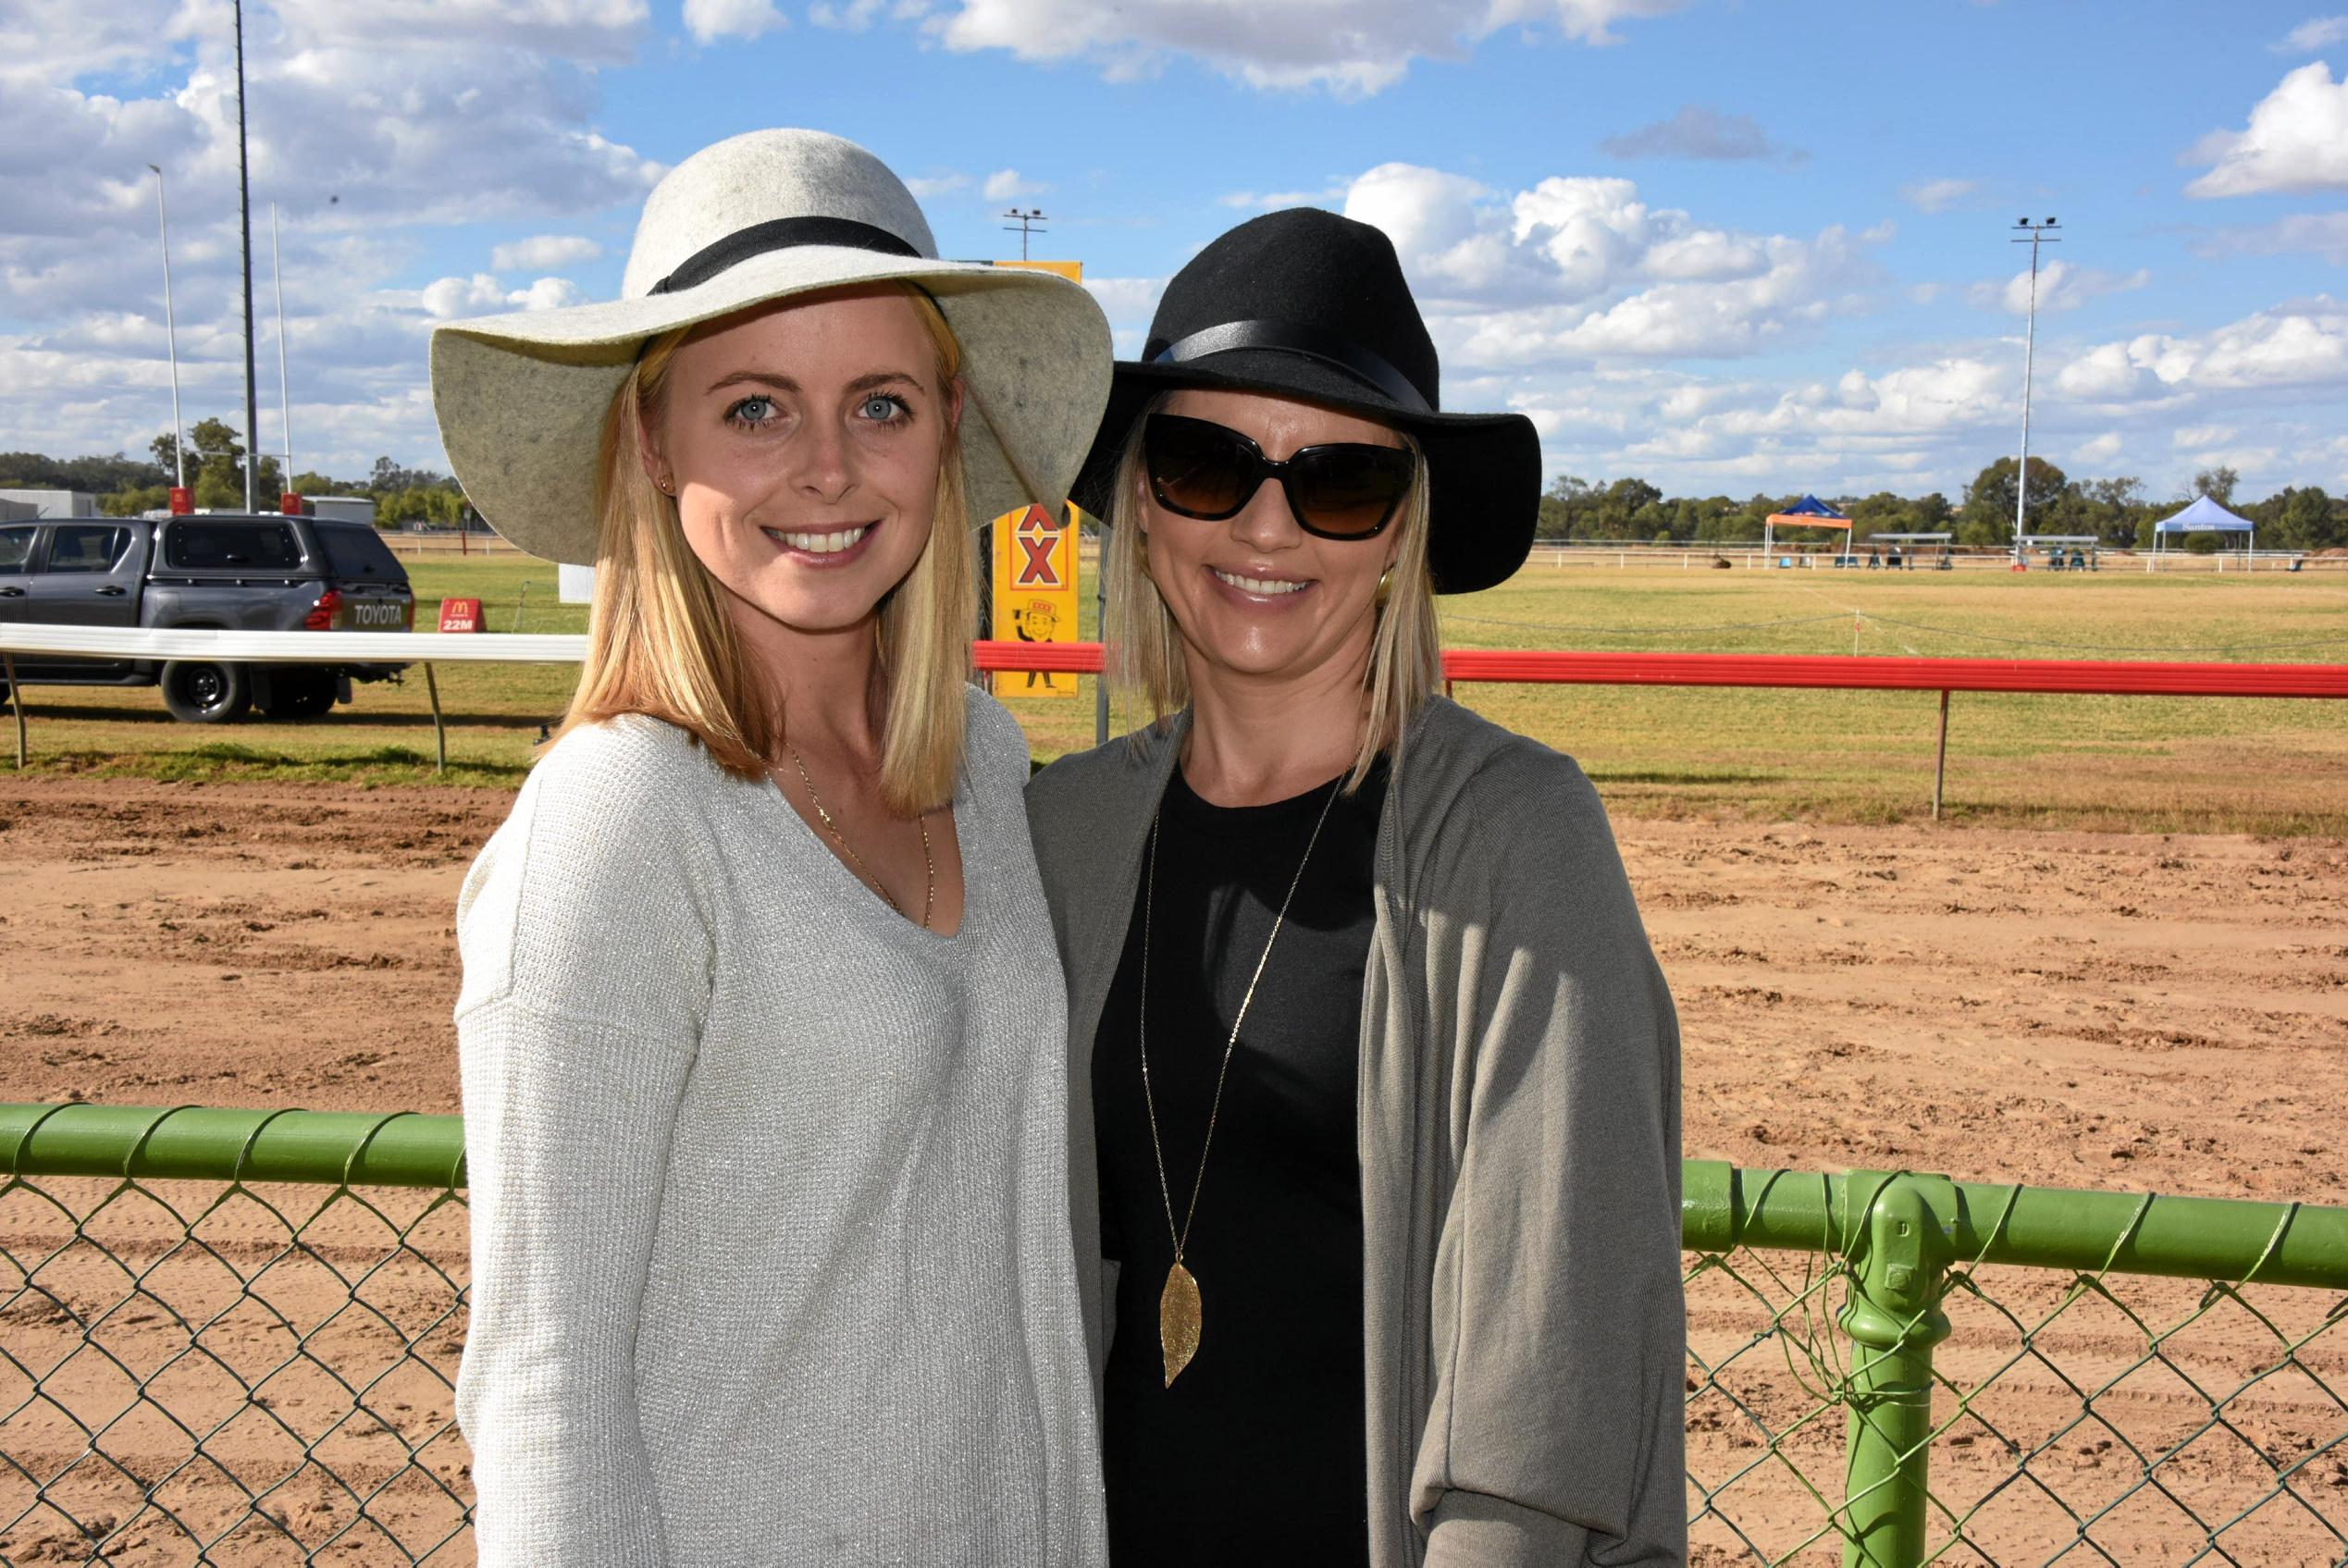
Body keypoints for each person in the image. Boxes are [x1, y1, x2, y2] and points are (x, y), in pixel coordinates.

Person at [432, 129, 1113, 1564]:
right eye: (754, 409)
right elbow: (544, 1385)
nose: (826, 467)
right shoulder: (621, 824)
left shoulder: (983, 768)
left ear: (946, 426)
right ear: (651, 440)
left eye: (879, 403)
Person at [1025, 209, 1686, 1567]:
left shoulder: (1512, 836)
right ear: (1140, 504)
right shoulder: (1060, 832)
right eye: (1210, 463)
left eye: (1337, 484)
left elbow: (1542, 1379)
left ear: (1399, 535)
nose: (1267, 525)